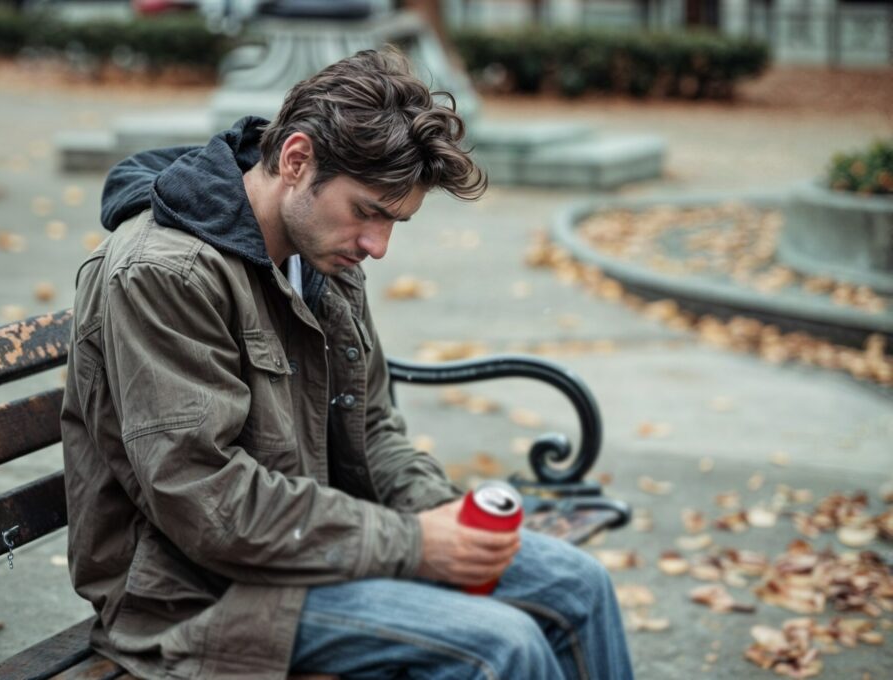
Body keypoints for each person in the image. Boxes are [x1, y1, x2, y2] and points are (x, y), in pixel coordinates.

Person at [61, 48, 633, 680]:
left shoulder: (322, 255)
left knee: (578, 584)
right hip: (196, 600)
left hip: (311, 552)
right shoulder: (166, 273)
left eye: (396, 222)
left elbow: (375, 429)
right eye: (368, 211)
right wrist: (417, 545)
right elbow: (208, 503)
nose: (378, 246)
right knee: (500, 645)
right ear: (297, 159)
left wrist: (442, 518)